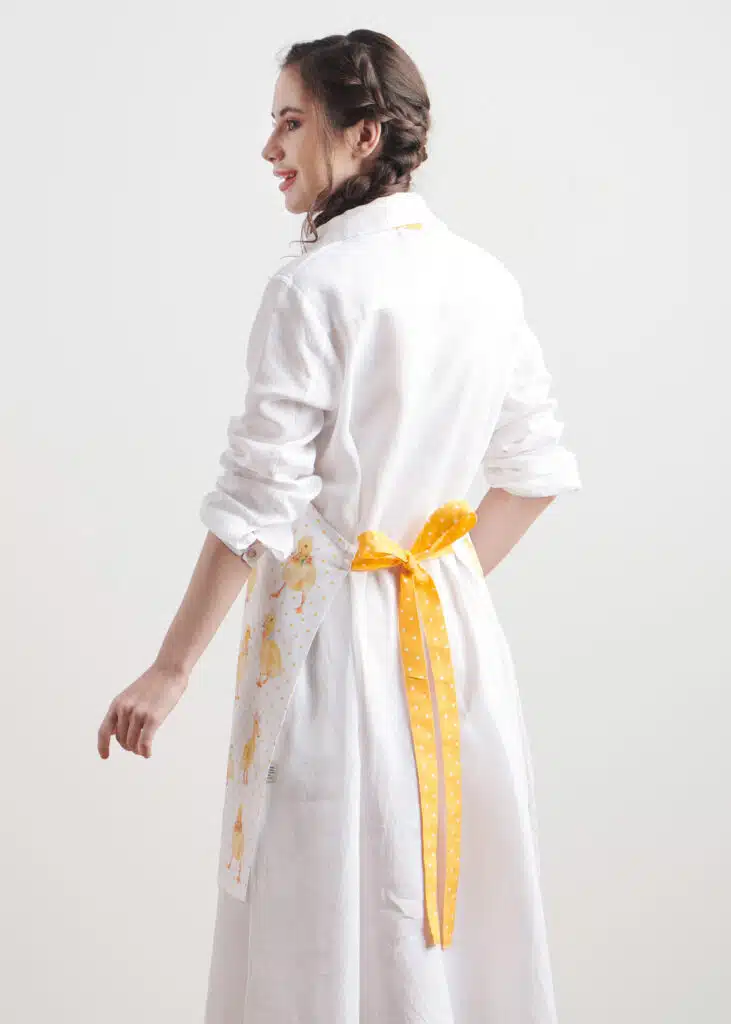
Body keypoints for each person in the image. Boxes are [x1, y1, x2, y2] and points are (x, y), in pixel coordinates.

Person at [97, 28, 582, 1024]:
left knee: (325, 894)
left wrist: (170, 669)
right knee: (442, 897)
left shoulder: (313, 288)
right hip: (452, 639)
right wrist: (434, 580)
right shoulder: (485, 281)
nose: (269, 147)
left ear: (362, 136)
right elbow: (533, 475)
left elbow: (254, 502)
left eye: (290, 122)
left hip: (333, 643)